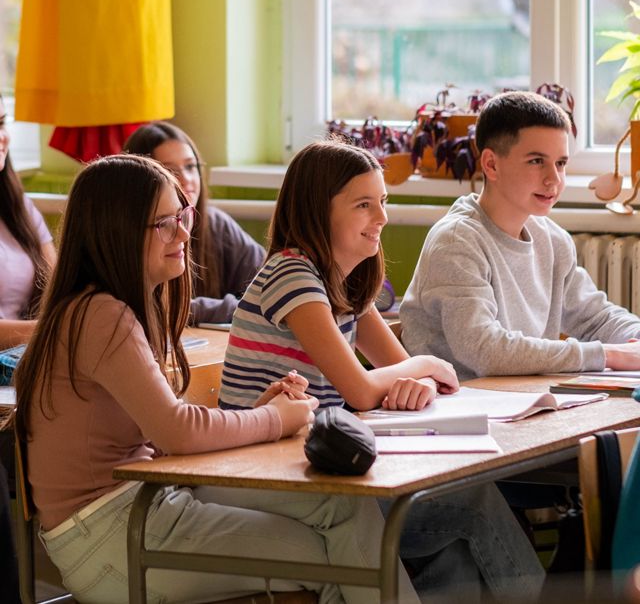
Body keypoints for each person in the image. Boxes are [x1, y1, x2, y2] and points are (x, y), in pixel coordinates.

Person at [12, 154, 414, 604]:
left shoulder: (122, 307)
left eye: (182, 216)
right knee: (328, 549)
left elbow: (163, 433)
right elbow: (175, 429)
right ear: (116, 230)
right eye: (164, 223)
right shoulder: (100, 314)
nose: (185, 233)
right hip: (109, 536)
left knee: (344, 511)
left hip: (145, 507)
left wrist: (265, 411)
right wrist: (274, 420)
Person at [220, 140, 545, 601]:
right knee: (472, 505)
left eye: (383, 202)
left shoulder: (345, 283)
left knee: (454, 543)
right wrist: (426, 365)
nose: (382, 218)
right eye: (364, 205)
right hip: (262, 476)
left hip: (315, 468)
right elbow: (365, 389)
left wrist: (416, 381)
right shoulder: (292, 276)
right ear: (319, 211)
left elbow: (400, 375)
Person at [400, 90, 640, 380]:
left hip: (526, 401)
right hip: (460, 409)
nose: (554, 179)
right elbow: (484, 350)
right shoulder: (456, 242)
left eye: (561, 163)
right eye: (536, 161)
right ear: (491, 164)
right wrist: (608, 354)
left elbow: (596, 317)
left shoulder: (553, 240)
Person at [124, 121, 265, 324]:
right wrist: (234, 310)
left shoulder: (216, 225)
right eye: (170, 171)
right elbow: (157, 308)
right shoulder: (133, 234)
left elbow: (272, 290)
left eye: (190, 166)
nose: (187, 179)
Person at [0, 93, 55, 350]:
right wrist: (57, 329)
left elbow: (59, 286)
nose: (2, 137)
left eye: (1, 123)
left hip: (21, 361)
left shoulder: (17, 204)